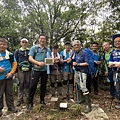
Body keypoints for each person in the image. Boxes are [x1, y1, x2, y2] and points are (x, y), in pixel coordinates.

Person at [27, 34, 51, 111]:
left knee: (43, 86)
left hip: (44, 71)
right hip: (36, 70)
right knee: (32, 86)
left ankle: (42, 100)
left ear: (46, 40)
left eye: (44, 39)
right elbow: (30, 58)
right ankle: (30, 103)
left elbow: (49, 59)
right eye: (41, 38)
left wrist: (54, 60)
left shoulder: (48, 49)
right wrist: (38, 63)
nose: (42, 40)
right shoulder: (34, 48)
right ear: (38, 39)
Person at [0, 38, 18, 117]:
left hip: (8, 76)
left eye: (4, 44)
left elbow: (14, 64)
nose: (2, 46)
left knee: (9, 93)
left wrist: (11, 73)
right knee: (0, 94)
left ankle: (11, 107)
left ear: (7, 45)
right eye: (0, 44)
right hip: (0, 78)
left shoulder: (10, 54)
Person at [72, 40, 91, 113]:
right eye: (75, 45)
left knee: (83, 87)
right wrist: (73, 64)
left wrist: (78, 64)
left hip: (83, 72)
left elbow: (87, 63)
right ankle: (83, 99)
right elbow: (73, 61)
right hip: (77, 71)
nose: (76, 46)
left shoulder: (84, 52)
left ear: (80, 45)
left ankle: (88, 105)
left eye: (77, 45)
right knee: (80, 86)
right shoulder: (75, 53)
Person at [14, 38, 32, 106]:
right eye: (23, 42)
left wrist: (31, 67)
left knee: (27, 84)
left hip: (29, 70)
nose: (24, 43)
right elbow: (15, 62)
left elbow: (31, 59)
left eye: (25, 42)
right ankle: (19, 99)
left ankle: (27, 97)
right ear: (20, 43)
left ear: (27, 43)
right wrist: (15, 71)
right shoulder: (17, 51)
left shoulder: (29, 51)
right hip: (20, 70)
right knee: (21, 84)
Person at [109, 34, 120, 109]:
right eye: (115, 41)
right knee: (117, 87)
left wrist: (116, 63)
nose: (117, 43)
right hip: (115, 72)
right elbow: (110, 63)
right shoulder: (113, 52)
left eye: (119, 41)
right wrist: (116, 64)